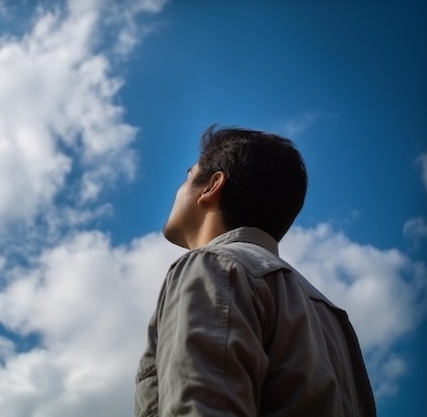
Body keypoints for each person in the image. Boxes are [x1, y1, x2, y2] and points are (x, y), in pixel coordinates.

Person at [134, 126, 376, 417]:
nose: (180, 188)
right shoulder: (332, 318)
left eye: (188, 177)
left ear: (212, 186)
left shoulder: (214, 267)